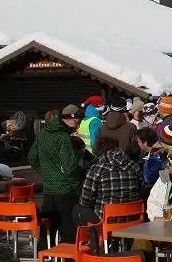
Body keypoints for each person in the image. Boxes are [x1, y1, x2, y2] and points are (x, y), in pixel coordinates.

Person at [30, 104, 84, 244]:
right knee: (68, 229)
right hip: (65, 189)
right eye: (77, 122)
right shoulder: (63, 138)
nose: (78, 126)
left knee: (49, 227)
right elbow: (70, 166)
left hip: (49, 189)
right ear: (68, 119)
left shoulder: (43, 133)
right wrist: (78, 183)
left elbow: (32, 157)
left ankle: (45, 254)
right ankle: (68, 257)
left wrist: (46, 173)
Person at [73, 133, 143, 226]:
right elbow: (140, 191)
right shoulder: (134, 166)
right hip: (133, 217)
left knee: (77, 209)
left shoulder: (96, 169)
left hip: (106, 220)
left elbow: (85, 201)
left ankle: (93, 239)